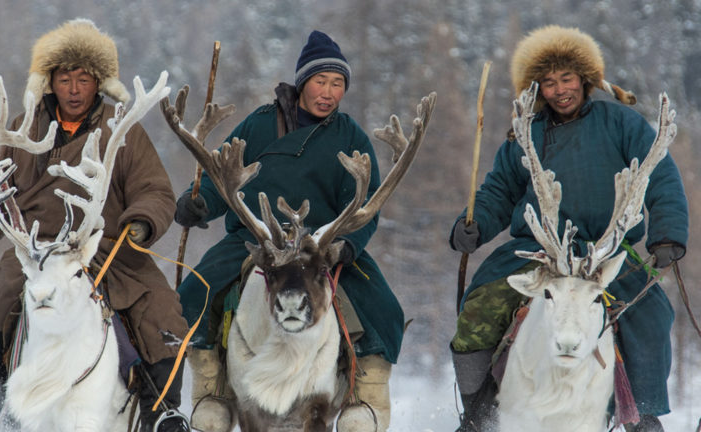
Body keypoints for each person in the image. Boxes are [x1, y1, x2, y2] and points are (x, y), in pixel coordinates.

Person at [0, 19, 190, 432]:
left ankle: (162, 411)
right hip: (34, 253)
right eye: (64, 77)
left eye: (84, 78)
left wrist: (142, 223)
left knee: (163, 312)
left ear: (100, 83)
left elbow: (155, 192)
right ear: (50, 81)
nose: (74, 89)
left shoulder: (122, 130)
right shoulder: (22, 130)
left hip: (107, 251)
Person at [449, 25, 688, 432]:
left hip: (607, 251)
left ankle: (642, 415)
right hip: (537, 250)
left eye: (567, 79)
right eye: (548, 82)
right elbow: (498, 192)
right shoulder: (525, 134)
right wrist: (473, 224)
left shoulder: (622, 122)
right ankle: (477, 415)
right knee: (479, 309)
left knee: (649, 314)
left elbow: (660, 174)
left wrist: (667, 233)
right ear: (536, 88)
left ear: (585, 79)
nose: (559, 90)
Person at [174, 30, 402, 431]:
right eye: (320, 81)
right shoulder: (260, 124)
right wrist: (201, 203)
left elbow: (366, 206)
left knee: (382, 307)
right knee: (195, 291)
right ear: (302, 82)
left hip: (323, 244)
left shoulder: (349, 135)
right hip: (261, 240)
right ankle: (213, 390)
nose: (328, 92)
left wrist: (348, 244)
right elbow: (221, 173)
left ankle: (365, 393)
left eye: (337, 84)